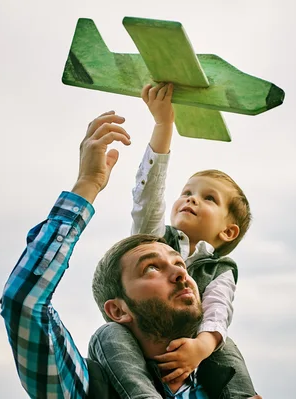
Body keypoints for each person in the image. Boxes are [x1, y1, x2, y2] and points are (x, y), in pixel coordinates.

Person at [0, 111, 262, 399]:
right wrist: (89, 183)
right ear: (118, 310)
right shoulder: (90, 390)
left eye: (179, 264)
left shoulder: (219, 386)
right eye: (151, 268)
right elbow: (23, 300)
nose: (180, 273)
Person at [88, 84, 257, 399]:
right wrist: (163, 126)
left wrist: (200, 348)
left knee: (223, 344)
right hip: (144, 342)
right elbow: (148, 197)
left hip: (192, 346)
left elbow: (218, 310)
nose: (191, 200)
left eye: (208, 198)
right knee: (109, 337)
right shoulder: (155, 240)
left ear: (228, 231)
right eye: (187, 192)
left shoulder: (220, 269)